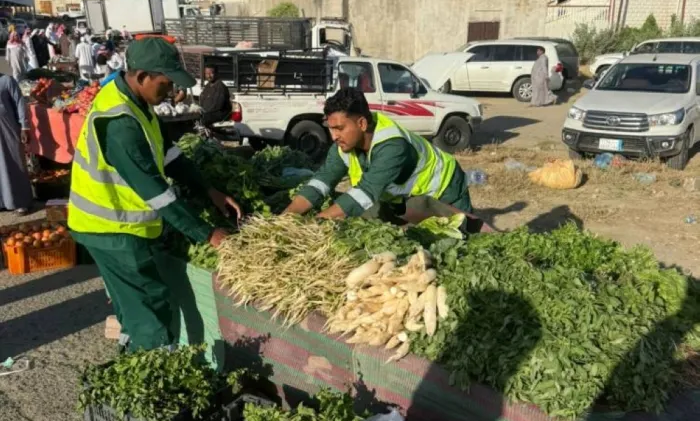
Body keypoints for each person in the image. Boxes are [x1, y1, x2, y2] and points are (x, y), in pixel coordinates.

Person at [68, 37, 242, 352]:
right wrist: (207, 234)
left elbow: (170, 155)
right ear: (143, 76)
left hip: (114, 226)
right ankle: (156, 362)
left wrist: (209, 190)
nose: (171, 90)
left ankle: (132, 351)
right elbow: (157, 193)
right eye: (166, 83)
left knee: (132, 303)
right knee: (151, 305)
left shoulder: (136, 101)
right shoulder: (120, 123)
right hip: (112, 229)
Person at [284, 88, 489, 232]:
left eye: (339, 128)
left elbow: (365, 193)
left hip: (445, 186)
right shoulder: (344, 145)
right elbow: (322, 180)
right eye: (330, 128)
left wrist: (315, 224)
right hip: (412, 199)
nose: (333, 136)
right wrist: (286, 219)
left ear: (362, 124)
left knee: (462, 236)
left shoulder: (392, 146)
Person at [0, 74, 33, 214]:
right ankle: (3, 202)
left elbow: (19, 102)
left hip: (8, 130)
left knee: (15, 162)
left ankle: (20, 202)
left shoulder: (6, 81)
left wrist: (25, 127)